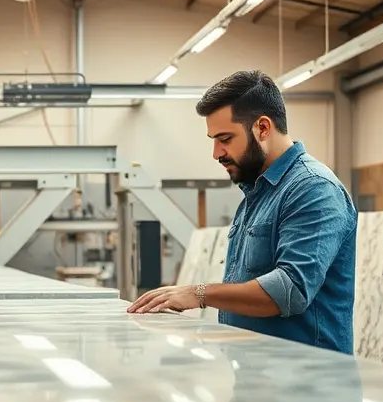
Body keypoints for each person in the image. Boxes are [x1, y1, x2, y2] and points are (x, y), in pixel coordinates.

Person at [128, 70, 357, 355]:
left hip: (308, 384)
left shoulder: (313, 188)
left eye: (225, 138)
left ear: (262, 128)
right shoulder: (256, 194)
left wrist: (197, 293)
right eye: (213, 139)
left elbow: (289, 290)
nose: (216, 152)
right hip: (262, 378)